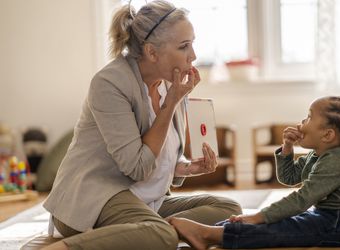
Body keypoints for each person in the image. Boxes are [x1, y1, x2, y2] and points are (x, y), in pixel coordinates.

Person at [42, 1, 241, 249]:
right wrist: (171, 103)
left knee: (229, 209)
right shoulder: (109, 83)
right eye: (184, 46)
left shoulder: (170, 82)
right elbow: (137, 168)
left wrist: (186, 168)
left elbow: (159, 153)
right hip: (95, 198)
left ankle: (146, 231)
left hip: (146, 201)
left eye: (192, 43)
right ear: (152, 52)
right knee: (163, 236)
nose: (194, 55)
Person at [170, 96, 340, 250]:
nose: (301, 123)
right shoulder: (319, 155)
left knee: (286, 228)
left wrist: (258, 217)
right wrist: (287, 148)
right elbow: (289, 178)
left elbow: (301, 199)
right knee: (282, 219)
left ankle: (211, 234)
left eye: (308, 118)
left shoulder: (337, 161)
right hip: (330, 216)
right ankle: (215, 230)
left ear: (327, 135)